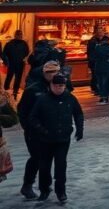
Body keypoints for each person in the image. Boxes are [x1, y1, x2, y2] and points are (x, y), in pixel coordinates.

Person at [27, 74, 83, 204]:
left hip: (63, 139)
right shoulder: (42, 100)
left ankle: (61, 191)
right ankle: (44, 189)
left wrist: (79, 129)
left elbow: (78, 113)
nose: (59, 88)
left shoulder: (70, 98)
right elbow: (32, 118)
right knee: (44, 166)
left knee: (61, 165)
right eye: (57, 86)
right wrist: (42, 130)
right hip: (45, 140)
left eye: (62, 86)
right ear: (51, 86)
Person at [17, 60, 59, 199]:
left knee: (46, 158)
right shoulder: (33, 90)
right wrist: (28, 127)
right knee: (37, 158)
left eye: (55, 72)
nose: (52, 75)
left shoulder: (59, 88)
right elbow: (22, 110)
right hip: (34, 131)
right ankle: (28, 185)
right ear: (44, 73)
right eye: (49, 72)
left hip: (51, 130)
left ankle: (44, 185)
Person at [2, 29, 29, 98]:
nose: (20, 36)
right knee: (10, 77)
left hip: (17, 63)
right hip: (14, 63)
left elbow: (27, 52)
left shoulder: (23, 43)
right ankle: (7, 91)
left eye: (20, 35)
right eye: (19, 35)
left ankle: (14, 92)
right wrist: (6, 62)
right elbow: (4, 54)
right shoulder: (11, 43)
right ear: (15, 35)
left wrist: (6, 61)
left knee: (16, 78)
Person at [93, 34, 109, 104]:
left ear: (103, 40)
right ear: (108, 41)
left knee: (101, 83)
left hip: (99, 67)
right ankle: (106, 97)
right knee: (107, 83)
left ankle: (103, 98)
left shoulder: (98, 48)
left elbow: (95, 57)